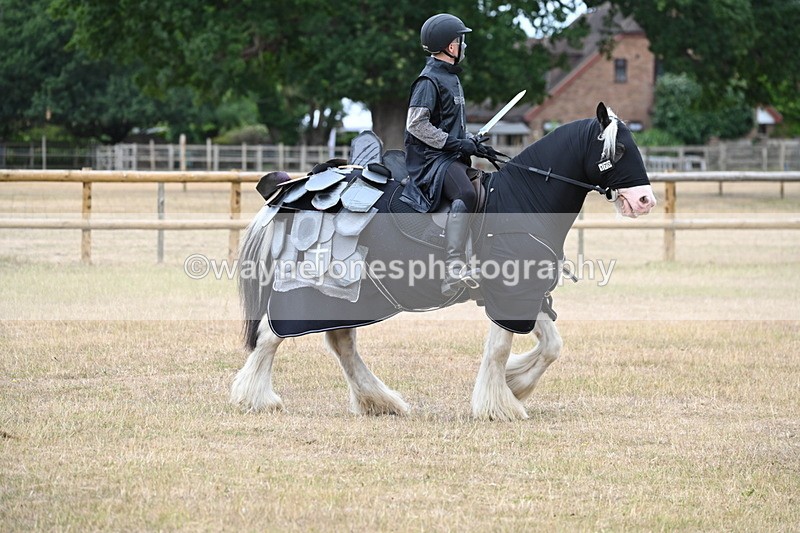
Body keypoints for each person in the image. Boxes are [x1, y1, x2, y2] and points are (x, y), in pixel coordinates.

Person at [401, 13, 483, 297]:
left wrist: (470, 141)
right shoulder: (428, 81)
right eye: (461, 40)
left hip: (448, 155)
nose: (464, 46)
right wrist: (455, 144)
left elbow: (448, 123)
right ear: (450, 47)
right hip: (430, 161)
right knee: (466, 193)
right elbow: (416, 125)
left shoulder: (450, 78)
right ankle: (453, 267)